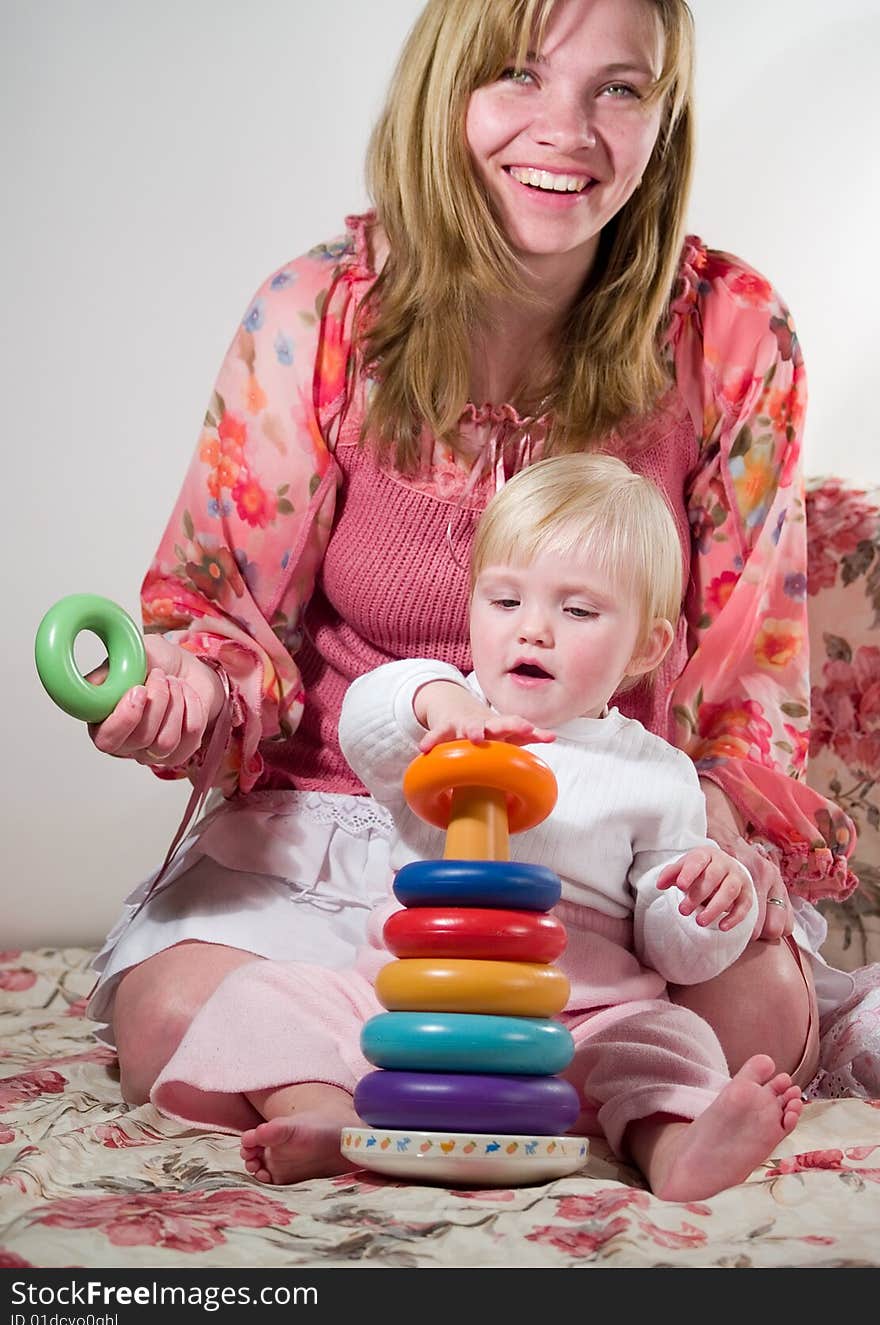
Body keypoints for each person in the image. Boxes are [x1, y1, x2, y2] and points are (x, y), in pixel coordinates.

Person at [85, 0, 858, 1117]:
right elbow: (224, 616)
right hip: (355, 822)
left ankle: (433, 1073)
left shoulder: (728, 331)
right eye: (519, 77)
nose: (568, 131)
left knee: (756, 1025)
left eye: (618, 88)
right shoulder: (322, 312)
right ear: (443, 90)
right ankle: (484, 1082)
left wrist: (710, 865)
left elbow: (747, 673)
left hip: (605, 845)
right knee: (169, 1022)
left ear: (664, 115)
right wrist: (181, 694)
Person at [151, 452, 810, 1201]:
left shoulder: (656, 773)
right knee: (262, 995)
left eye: (579, 610)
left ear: (647, 647)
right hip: (410, 1017)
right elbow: (369, 712)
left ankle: (678, 1151)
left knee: (672, 1041)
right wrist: (440, 705)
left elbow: (673, 948)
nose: (534, 630)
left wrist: (705, 903)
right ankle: (330, 1118)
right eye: (504, 602)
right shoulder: (443, 723)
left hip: (575, 1023)